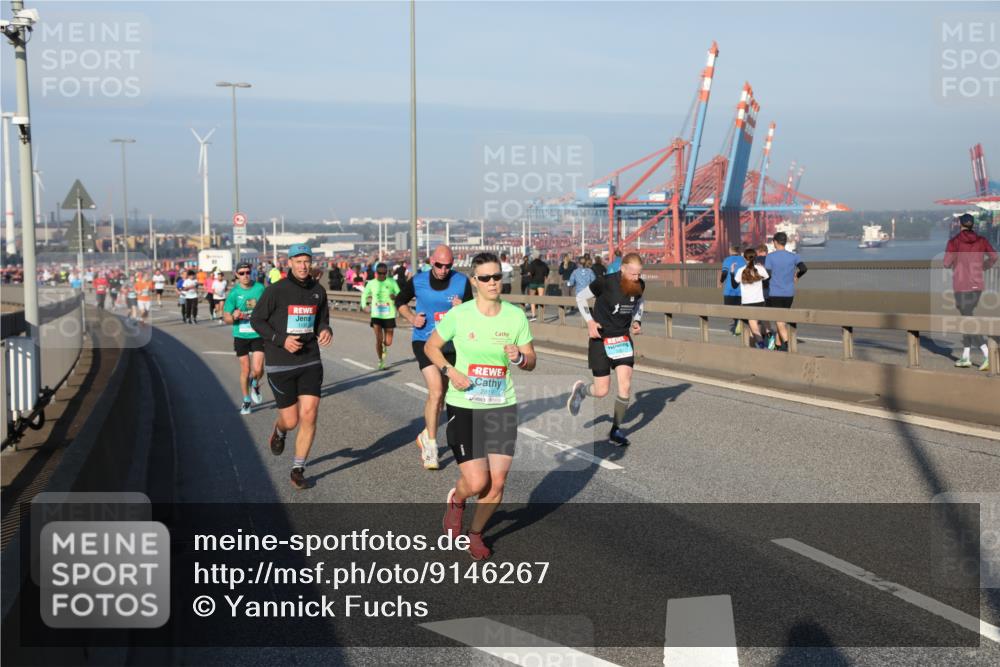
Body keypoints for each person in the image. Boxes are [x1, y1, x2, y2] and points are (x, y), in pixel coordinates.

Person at [427, 252, 536, 560]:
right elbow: (431, 347)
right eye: (485, 278)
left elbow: (531, 361)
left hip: (502, 405)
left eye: (496, 276)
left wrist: (519, 357)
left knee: (497, 483)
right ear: (474, 281)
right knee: (477, 481)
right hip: (465, 405)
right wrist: (450, 371)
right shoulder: (460, 315)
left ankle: (475, 534)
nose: (492, 282)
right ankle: (457, 500)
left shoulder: (515, 316)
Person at [251, 244, 333, 490]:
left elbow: (321, 320)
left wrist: (325, 330)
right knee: (291, 420)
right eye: (298, 261)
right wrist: (281, 339)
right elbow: (257, 320)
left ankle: (298, 469)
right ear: (290, 263)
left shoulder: (318, 291)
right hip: (280, 363)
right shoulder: (275, 291)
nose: (303, 266)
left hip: (310, 360)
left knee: (310, 413)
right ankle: (280, 430)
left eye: (306, 261)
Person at [395, 245, 473, 470]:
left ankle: (424, 434)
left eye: (448, 266)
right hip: (425, 342)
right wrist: (411, 317)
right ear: (431, 261)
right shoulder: (418, 281)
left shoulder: (461, 282)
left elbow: (473, 313)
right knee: (436, 390)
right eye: (439, 265)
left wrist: (463, 308)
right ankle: (431, 445)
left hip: (452, 344)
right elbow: (399, 301)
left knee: (444, 396)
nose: (443, 270)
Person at [566, 252, 645, 446]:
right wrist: (590, 322)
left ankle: (615, 430)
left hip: (622, 339)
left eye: (639, 274)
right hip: (600, 339)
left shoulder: (640, 284)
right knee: (602, 391)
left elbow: (639, 302)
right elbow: (581, 298)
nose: (636, 278)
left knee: (625, 385)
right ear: (623, 268)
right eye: (632, 274)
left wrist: (637, 320)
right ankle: (581, 391)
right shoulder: (605, 282)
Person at [944, 213, 998, 371]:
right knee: (967, 318)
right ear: (973, 224)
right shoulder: (982, 240)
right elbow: (994, 256)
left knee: (967, 320)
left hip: (961, 286)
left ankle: (987, 354)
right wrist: (984, 266)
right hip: (977, 286)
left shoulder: (954, 242)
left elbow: (946, 263)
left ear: (960, 224)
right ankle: (966, 356)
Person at [223, 262, 266, 414]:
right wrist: (234, 317)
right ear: (236, 275)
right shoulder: (234, 293)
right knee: (245, 369)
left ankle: (254, 383)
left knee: (258, 369)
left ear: (251, 272)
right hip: (241, 335)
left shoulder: (260, 288)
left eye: (247, 272)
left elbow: (269, 307)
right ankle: (246, 401)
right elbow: (226, 318)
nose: (245, 275)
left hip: (258, 334)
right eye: (241, 273)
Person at [764, 231, 807, 352]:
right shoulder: (794, 256)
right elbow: (804, 268)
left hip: (775, 293)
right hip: (789, 293)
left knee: (779, 320)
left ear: (775, 242)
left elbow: (768, 275)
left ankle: (788, 343)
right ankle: (778, 346)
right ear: (785, 242)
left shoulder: (770, 257)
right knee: (782, 320)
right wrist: (797, 276)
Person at [361, 262, 401, 370]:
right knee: (379, 339)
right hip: (376, 315)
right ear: (376, 273)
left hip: (389, 315)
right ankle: (380, 360)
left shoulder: (392, 282)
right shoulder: (371, 283)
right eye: (380, 273)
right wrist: (364, 306)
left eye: (384, 273)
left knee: (388, 342)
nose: (382, 275)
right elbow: (364, 295)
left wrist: (395, 297)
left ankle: (384, 347)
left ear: (387, 273)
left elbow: (400, 294)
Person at [733, 248, 770, 347]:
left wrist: (732, 272)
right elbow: (767, 281)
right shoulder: (760, 269)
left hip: (747, 302)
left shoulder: (741, 270)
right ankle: (752, 348)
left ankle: (762, 345)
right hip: (760, 301)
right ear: (755, 258)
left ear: (744, 258)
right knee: (754, 326)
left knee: (754, 328)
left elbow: (734, 285)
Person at [720, 244, 745, 335]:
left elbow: (724, 273)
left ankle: (737, 324)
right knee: (739, 308)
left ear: (730, 250)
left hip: (729, 290)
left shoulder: (727, 260)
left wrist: (721, 281)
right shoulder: (743, 260)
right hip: (741, 290)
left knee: (730, 310)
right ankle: (738, 323)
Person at [526, 253, 550, 322]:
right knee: (541, 299)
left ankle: (533, 316)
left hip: (533, 282)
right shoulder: (543, 264)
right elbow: (547, 270)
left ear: (534, 256)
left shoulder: (532, 263)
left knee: (532, 299)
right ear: (540, 256)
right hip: (541, 282)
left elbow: (531, 272)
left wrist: (529, 275)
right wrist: (545, 276)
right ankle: (542, 316)